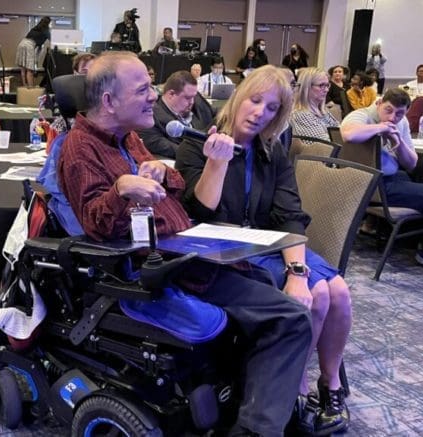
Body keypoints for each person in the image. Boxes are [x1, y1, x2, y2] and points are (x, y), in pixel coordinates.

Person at [57, 50, 312, 436]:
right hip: (162, 270)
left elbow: (176, 187)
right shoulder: (79, 149)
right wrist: (122, 189)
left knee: (268, 288)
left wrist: (161, 170)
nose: (153, 96)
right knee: (291, 317)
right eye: (143, 88)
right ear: (109, 101)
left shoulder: (126, 138)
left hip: (187, 252)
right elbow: (96, 223)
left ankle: (248, 410)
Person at [176, 65, 351, 434]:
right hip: (225, 251)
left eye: (272, 108)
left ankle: (330, 384)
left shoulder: (273, 151)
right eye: (255, 101)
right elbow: (201, 212)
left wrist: (296, 273)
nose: (260, 113)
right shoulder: (197, 142)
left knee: (338, 291)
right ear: (239, 98)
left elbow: (289, 217)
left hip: (269, 244)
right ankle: (295, 392)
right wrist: (217, 161)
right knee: (319, 295)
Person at [341, 88, 423, 265]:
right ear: (379, 103)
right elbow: (348, 134)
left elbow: (412, 164)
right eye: (388, 110)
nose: (393, 118)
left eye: (399, 114)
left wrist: (397, 143)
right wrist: (382, 127)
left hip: (395, 178)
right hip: (377, 185)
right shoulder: (361, 115)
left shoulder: (402, 122)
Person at [138, 70, 215, 158]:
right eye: (187, 98)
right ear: (171, 94)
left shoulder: (196, 100)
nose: (192, 102)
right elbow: (170, 148)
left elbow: (218, 115)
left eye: (194, 97)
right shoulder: (150, 118)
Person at [291, 67, 339, 141]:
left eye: (327, 85)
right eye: (321, 85)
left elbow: (341, 134)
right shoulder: (300, 115)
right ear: (306, 87)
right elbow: (326, 146)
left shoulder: (323, 112)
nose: (326, 90)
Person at [16, 16, 51, 87]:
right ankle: (31, 89)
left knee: (23, 68)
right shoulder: (46, 30)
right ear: (48, 23)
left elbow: (39, 48)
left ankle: (25, 86)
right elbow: (53, 40)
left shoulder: (36, 28)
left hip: (21, 43)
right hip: (29, 45)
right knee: (30, 70)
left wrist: (35, 60)